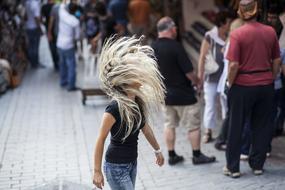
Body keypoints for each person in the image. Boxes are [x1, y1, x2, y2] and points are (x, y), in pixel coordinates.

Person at [93, 36, 165, 190]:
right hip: (115, 167)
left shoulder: (137, 103)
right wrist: (97, 171)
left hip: (132, 163)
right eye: (136, 73)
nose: (141, 75)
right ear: (126, 79)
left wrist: (157, 150)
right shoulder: (114, 108)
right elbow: (100, 139)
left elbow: (145, 129)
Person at [224, 0, 281, 178]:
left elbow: (233, 65)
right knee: (262, 126)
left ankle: (233, 168)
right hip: (265, 84)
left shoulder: (237, 34)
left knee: (236, 126)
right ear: (258, 11)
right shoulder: (270, 31)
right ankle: (257, 165)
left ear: (240, 12)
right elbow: (277, 61)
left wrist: (229, 83)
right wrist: (270, 78)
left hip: (242, 85)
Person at [152, 17, 216, 166]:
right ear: (171, 28)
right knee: (193, 125)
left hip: (165, 95)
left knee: (169, 124)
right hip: (184, 95)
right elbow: (189, 72)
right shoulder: (176, 47)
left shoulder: (152, 47)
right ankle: (196, 155)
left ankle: (172, 155)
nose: (176, 30)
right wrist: (198, 82)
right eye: (175, 27)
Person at [198, 11, 231, 143]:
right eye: (228, 22)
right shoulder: (210, 36)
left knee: (226, 105)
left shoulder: (230, 35)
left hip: (226, 77)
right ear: (222, 23)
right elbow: (202, 57)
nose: (230, 24)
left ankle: (225, 131)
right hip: (211, 77)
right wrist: (200, 77)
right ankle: (208, 132)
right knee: (210, 105)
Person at [56, 2, 80, 91]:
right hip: (69, 45)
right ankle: (71, 86)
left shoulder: (62, 12)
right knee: (71, 66)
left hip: (59, 43)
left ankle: (63, 81)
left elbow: (62, 4)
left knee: (62, 64)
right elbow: (77, 37)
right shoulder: (75, 21)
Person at [25, 0, 42, 68]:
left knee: (31, 46)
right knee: (35, 47)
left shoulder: (27, 3)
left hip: (28, 26)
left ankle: (33, 63)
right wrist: (39, 28)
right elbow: (36, 17)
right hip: (34, 27)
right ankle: (36, 63)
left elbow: (25, 15)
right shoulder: (34, 4)